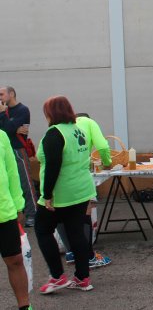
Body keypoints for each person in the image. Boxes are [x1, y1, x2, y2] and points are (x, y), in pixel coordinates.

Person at [35, 96, 97, 293]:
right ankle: (82, 278)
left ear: (51, 114)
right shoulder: (78, 129)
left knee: (42, 229)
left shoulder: (54, 134)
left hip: (62, 192)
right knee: (76, 232)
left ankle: (57, 276)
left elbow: (53, 166)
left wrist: (47, 195)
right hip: (81, 189)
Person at [56, 113, 112, 268]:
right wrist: (107, 162)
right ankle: (89, 257)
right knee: (84, 213)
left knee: (64, 215)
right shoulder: (89, 122)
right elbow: (102, 146)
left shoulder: (58, 127)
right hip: (79, 176)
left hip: (58, 179)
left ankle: (70, 253)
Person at [0, 129, 32, 310]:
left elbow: (12, 172)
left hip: (3, 211)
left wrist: (19, 205)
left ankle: (25, 306)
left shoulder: (2, 135)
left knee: (15, 260)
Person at [0, 86, 37, 227]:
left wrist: (4, 117)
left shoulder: (22, 110)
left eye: (2, 94)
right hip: (4, 150)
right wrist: (13, 127)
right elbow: (3, 130)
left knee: (25, 181)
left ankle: (32, 213)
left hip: (17, 149)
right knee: (9, 182)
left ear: (11, 94)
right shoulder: (3, 111)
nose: (0, 97)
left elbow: (7, 129)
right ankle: (17, 212)